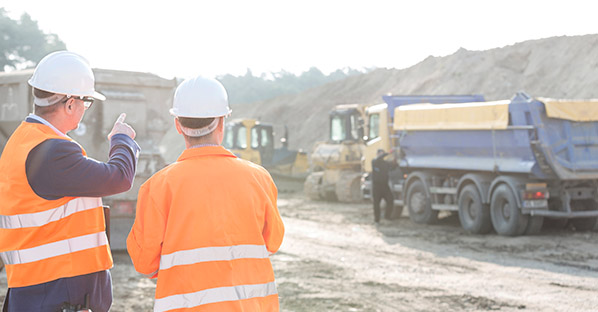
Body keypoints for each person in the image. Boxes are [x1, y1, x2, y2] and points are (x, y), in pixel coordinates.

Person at [127, 76, 285, 311]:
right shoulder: (259, 178)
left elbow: (145, 263)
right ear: (223, 121)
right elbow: (272, 242)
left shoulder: (158, 186)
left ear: (178, 125)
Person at [0, 51, 139, 312]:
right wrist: (123, 140)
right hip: (55, 294)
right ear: (70, 103)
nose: (84, 111)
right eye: (86, 103)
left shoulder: (23, 141)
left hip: (37, 290)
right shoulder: (53, 152)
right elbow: (119, 178)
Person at [371, 148, 397, 223]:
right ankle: (377, 219)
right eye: (380, 154)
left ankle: (387, 216)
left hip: (385, 186)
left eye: (382, 153)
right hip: (376, 187)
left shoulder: (385, 163)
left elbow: (392, 167)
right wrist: (388, 153)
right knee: (376, 204)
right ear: (377, 154)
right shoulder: (374, 161)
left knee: (390, 200)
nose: (381, 155)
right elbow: (378, 159)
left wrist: (395, 161)